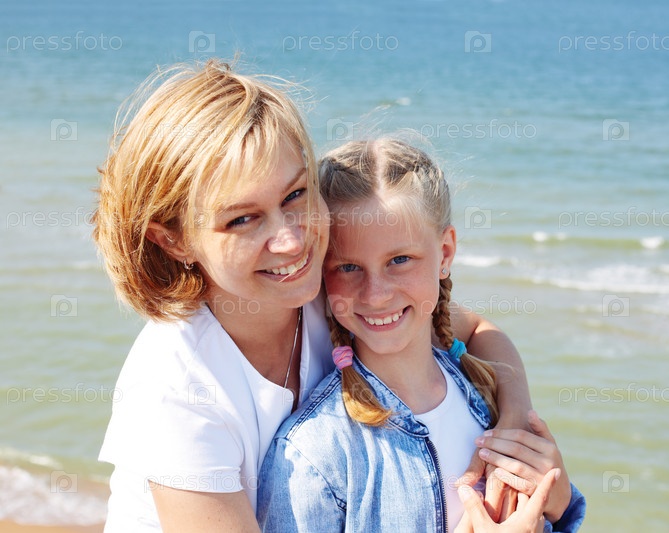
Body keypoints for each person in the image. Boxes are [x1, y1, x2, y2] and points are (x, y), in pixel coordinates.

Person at [93, 60, 550, 531]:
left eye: (294, 195)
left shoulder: (322, 291)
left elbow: (476, 331)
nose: (292, 242)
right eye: (242, 219)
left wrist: (513, 426)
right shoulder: (176, 386)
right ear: (174, 240)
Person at [257, 138, 585, 532]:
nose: (375, 294)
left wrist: (559, 506)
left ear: (445, 254)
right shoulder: (314, 453)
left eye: (399, 260)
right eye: (348, 267)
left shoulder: (484, 397)